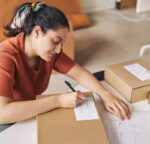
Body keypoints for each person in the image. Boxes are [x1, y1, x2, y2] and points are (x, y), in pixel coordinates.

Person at [0, 1, 130, 125]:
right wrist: (58, 100)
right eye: (56, 41)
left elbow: (80, 74)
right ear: (37, 32)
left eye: (61, 44)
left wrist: (106, 95)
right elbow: (2, 114)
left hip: (28, 112)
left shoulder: (49, 53)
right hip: (8, 121)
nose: (58, 50)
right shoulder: (5, 56)